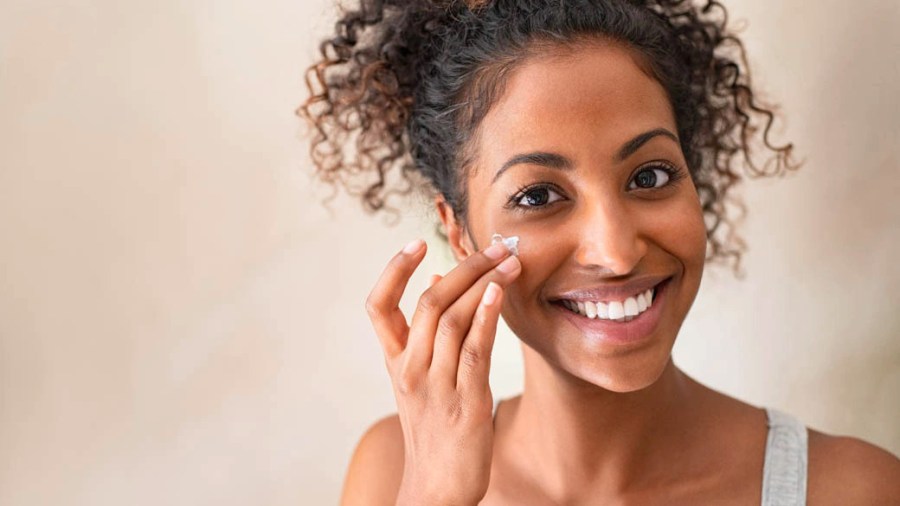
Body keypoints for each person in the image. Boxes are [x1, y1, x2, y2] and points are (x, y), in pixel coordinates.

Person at [298, 0, 900, 504]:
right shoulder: (391, 475)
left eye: (650, 176)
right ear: (460, 234)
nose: (615, 252)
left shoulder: (848, 489)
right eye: (538, 195)